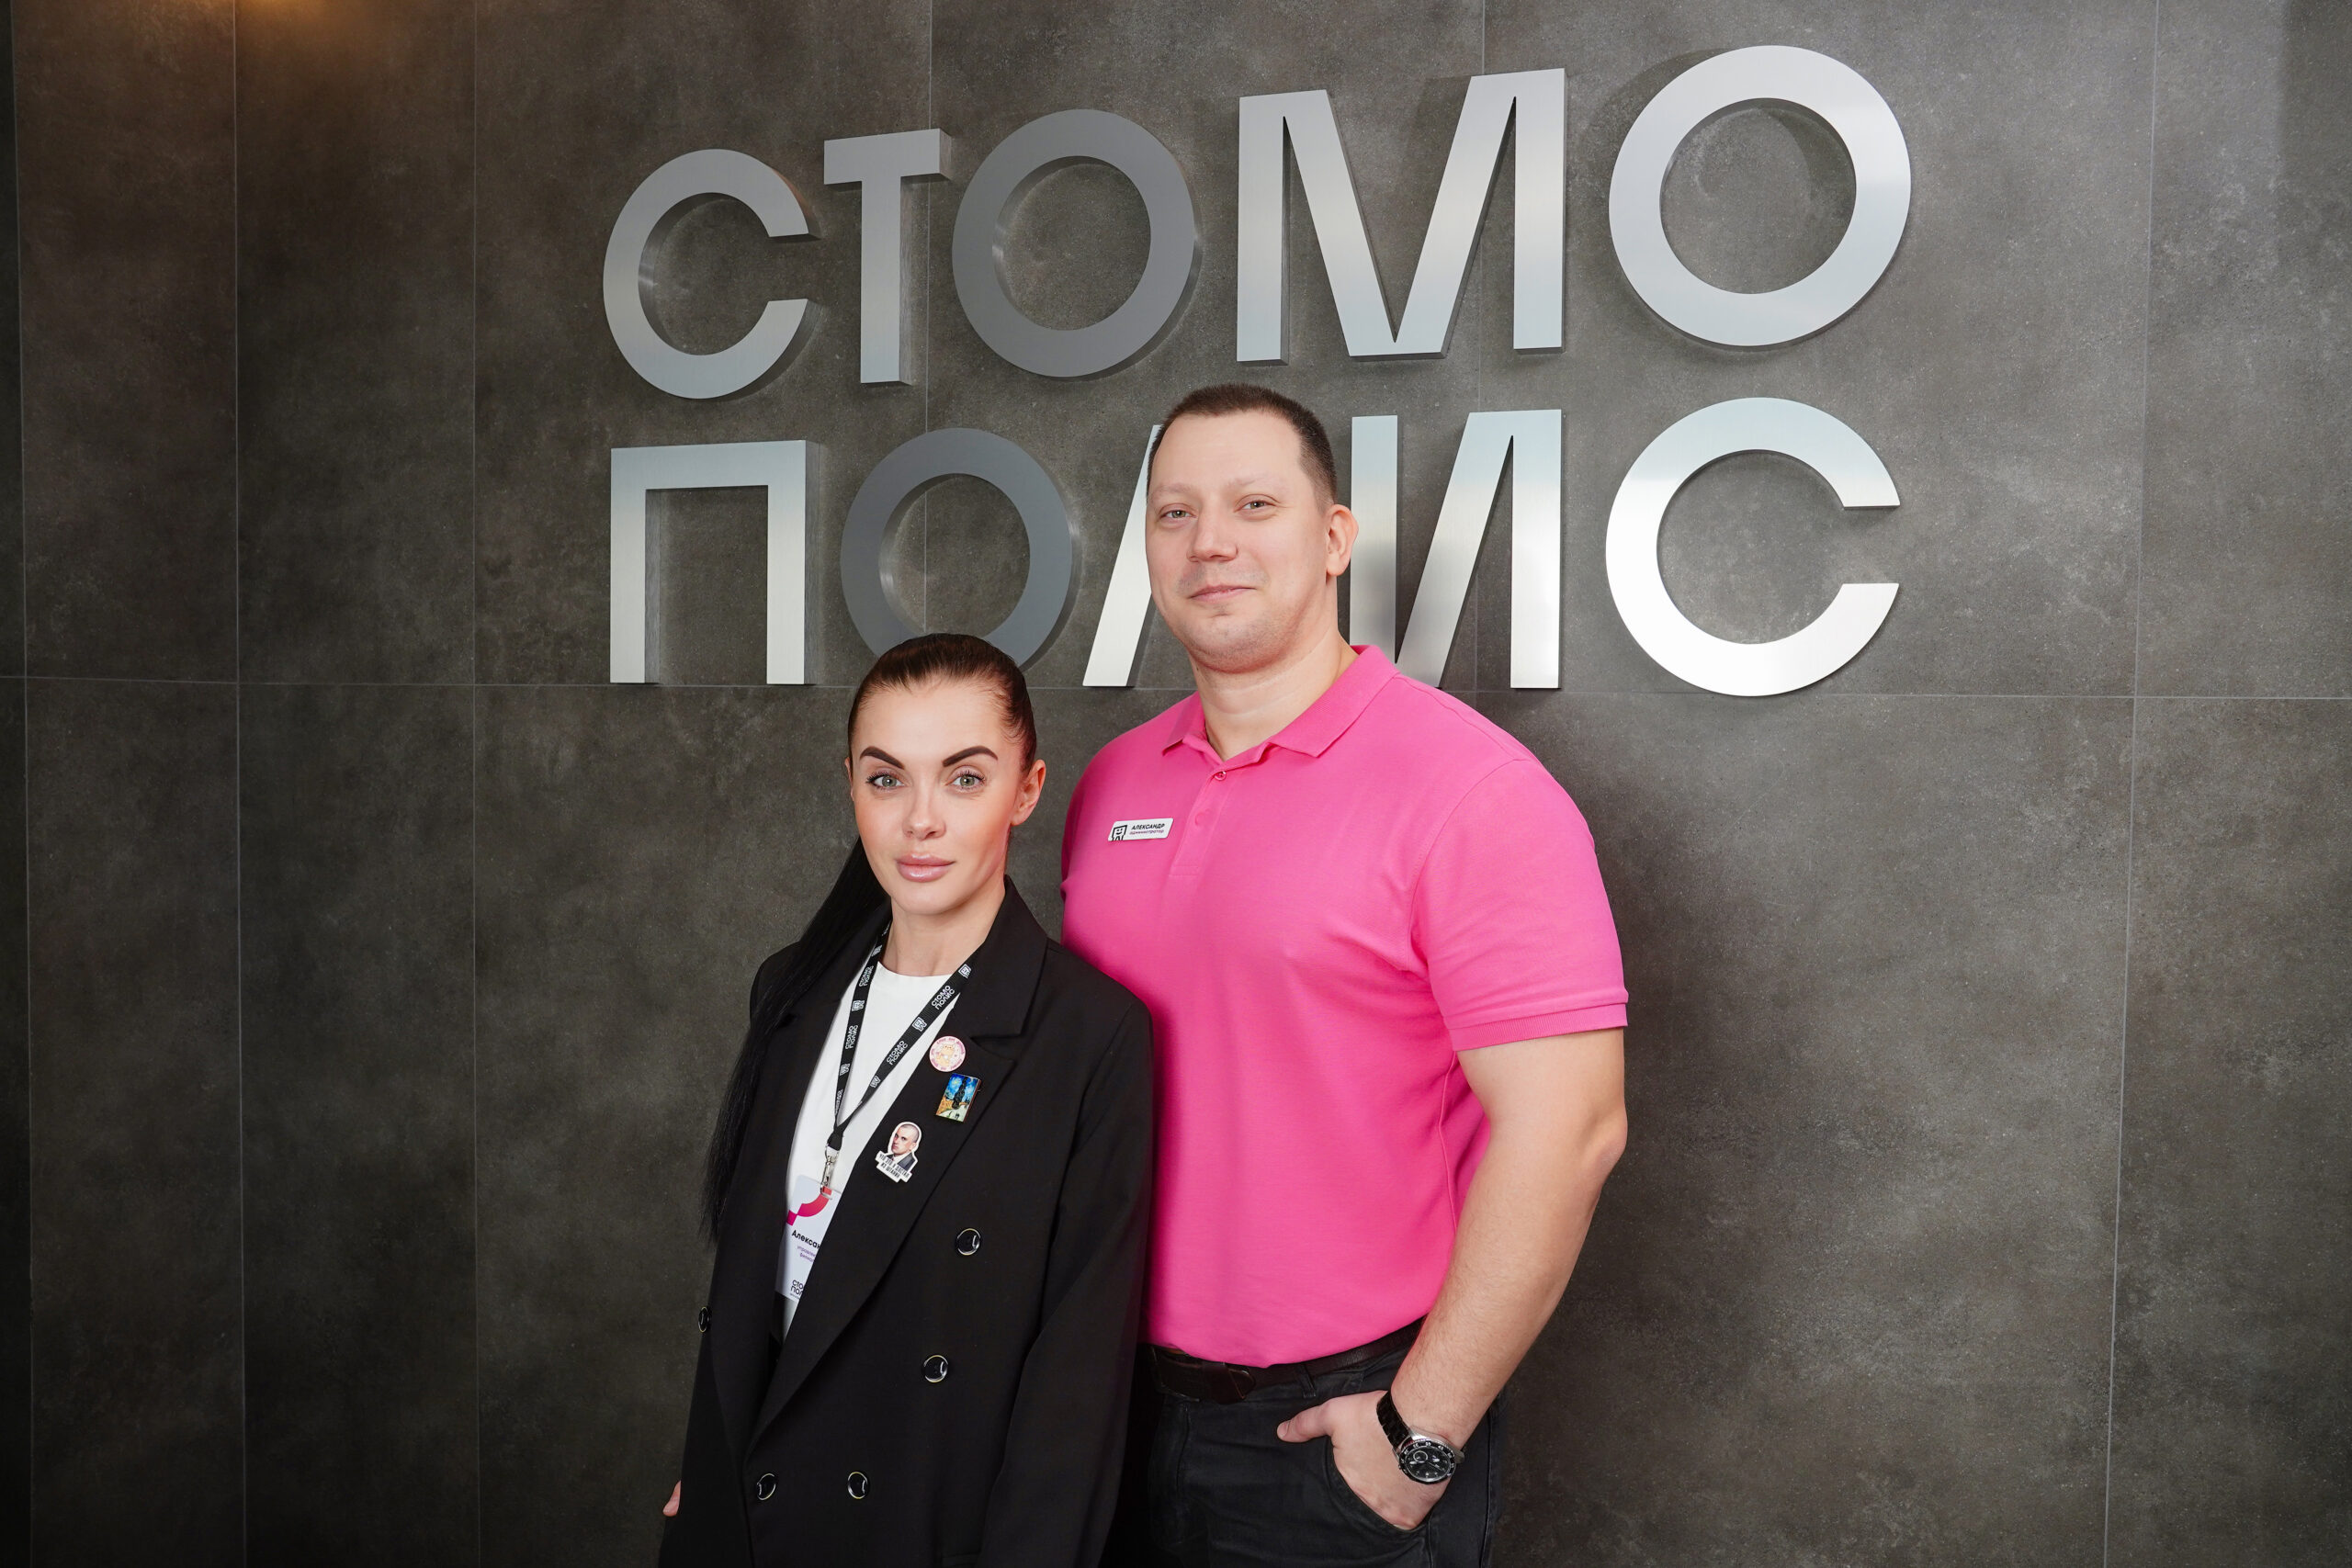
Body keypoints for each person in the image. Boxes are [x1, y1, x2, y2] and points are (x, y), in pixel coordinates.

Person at [1063, 384, 1629, 1566]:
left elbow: (1570, 1131)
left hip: (1341, 1426)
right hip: (1106, 1406)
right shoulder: (1112, 784)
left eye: (1252, 505)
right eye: (1175, 513)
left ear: (1332, 539)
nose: (1209, 542)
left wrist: (1420, 1433)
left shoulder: (1472, 789)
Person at [662, 632, 1155, 1568]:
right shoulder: (790, 989)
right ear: (850, 783)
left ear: (1027, 789)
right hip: (752, 1518)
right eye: (887, 779)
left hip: (928, 1525)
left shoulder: (1089, 1036)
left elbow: (1077, 1388)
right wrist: (709, 1472)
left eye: (964, 779)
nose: (919, 821)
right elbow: (750, 1287)